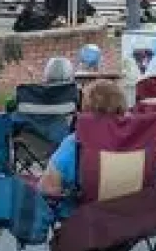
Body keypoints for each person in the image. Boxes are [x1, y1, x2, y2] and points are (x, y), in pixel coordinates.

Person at [39, 80, 128, 216]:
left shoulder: (75, 143)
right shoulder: (139, 140)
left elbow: (47, 188)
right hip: (131, 218)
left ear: (86, 109)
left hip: (85, 219)